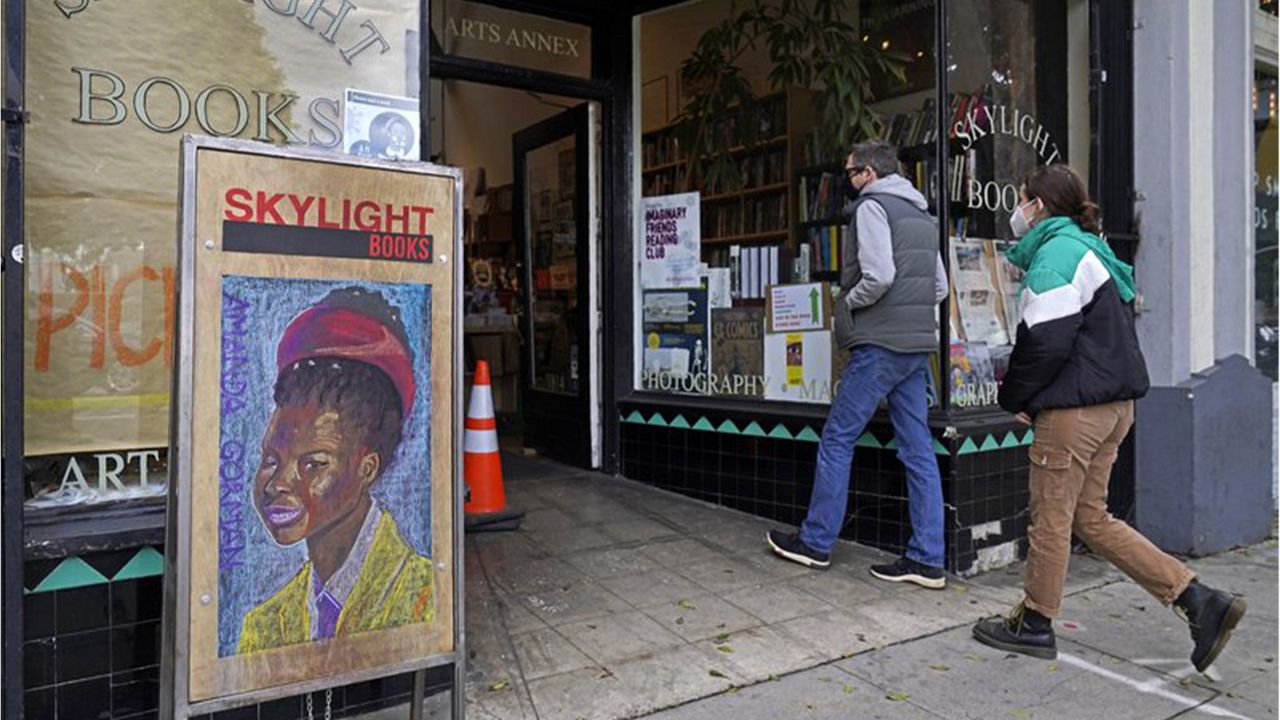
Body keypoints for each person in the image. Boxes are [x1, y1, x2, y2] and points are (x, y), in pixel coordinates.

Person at [972, 165, 1246, 673]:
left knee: (1051, 518)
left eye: (1022, 199)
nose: (1017, 210)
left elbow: (1045, 341)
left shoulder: (1056, 254)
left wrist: (1014, 394)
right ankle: (1197, 599)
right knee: (1090, 518)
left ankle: (1034, 622)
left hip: (1074, 412)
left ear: (1039, 206)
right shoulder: (1093, 249)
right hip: (1114, 408)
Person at [767, 140, 950, 589]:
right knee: (917, 449)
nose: (847, 181)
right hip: (915, 347)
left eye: (849, 173)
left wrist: (850, 303)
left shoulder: (872, 208)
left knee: (837, 437)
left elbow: (880, 275)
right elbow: (940, 286)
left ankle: (815, 542)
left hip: (880, 345)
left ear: (868, 173)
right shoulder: (923, 216)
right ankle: (928, 559)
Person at [238, 287, 434, 653]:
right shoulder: (263, 625)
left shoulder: (423, 595)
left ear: (367, 468)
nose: (279, 483)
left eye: (313, 464)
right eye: (270, 461)